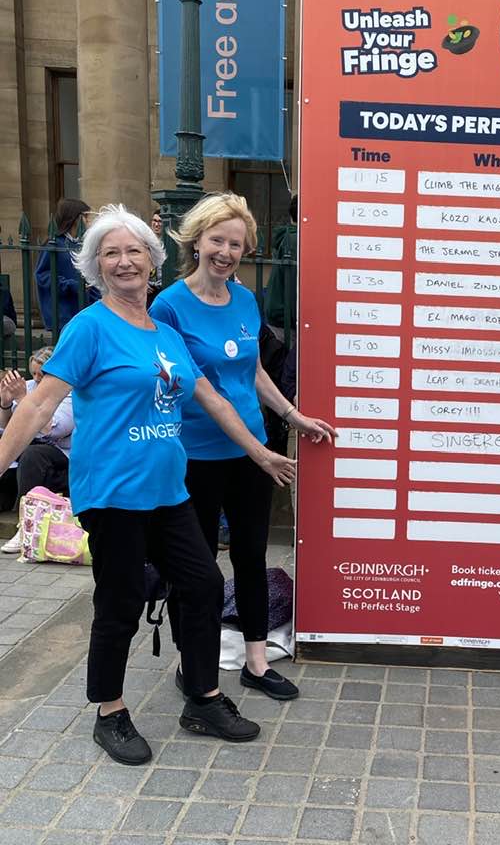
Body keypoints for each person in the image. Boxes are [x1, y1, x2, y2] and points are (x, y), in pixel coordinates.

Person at [0, 204, 295, 767]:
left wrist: (260, 452)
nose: (124, 262)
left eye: (134, 251)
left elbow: (211, 398)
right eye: (110, 253)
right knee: (120, 600)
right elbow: (39, 405)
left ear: (151, 259)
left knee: (203, 584)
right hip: (113, 492)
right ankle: (109, 712)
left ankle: (202, 697)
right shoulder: (90, 327)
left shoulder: (164, 333)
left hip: (168, 490)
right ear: (96, 266)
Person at [150, 191, 334, 702]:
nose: (226, 252)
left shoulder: (246, 300)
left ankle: (256, 662)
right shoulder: (169, 306)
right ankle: (193, 661)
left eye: (236, 244)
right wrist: (259, 449)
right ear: (196, 241)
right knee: (198, 565)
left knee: (252, 555)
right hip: (197, 457)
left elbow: (252, 371)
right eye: (217, 240)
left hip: (253, 452)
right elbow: (197, 390)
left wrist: (293, 416)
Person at [0, 347, 73, 540]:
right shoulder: (29, 386)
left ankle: (25, 524)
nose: (37, 379)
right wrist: (5, 404)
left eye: (42, 374)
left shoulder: (69, 391)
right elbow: (6, 429)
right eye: (33, 373)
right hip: (24, 459)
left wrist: (22, 399)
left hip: (60, 458)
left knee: (34, 454)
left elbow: (54, 429)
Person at [34, 197, 97, 332]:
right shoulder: (54, 244)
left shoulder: (83, 244)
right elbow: (42, 276)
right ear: (75, 218)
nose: (88, 221)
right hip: (63, 313)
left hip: (85, 311)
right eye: (85, 216)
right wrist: (70, 285)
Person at [264, 193, 297, 342]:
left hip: (278, 314)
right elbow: (294, 286)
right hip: (286, 319)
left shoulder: (287, 236)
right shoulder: (296, 240)